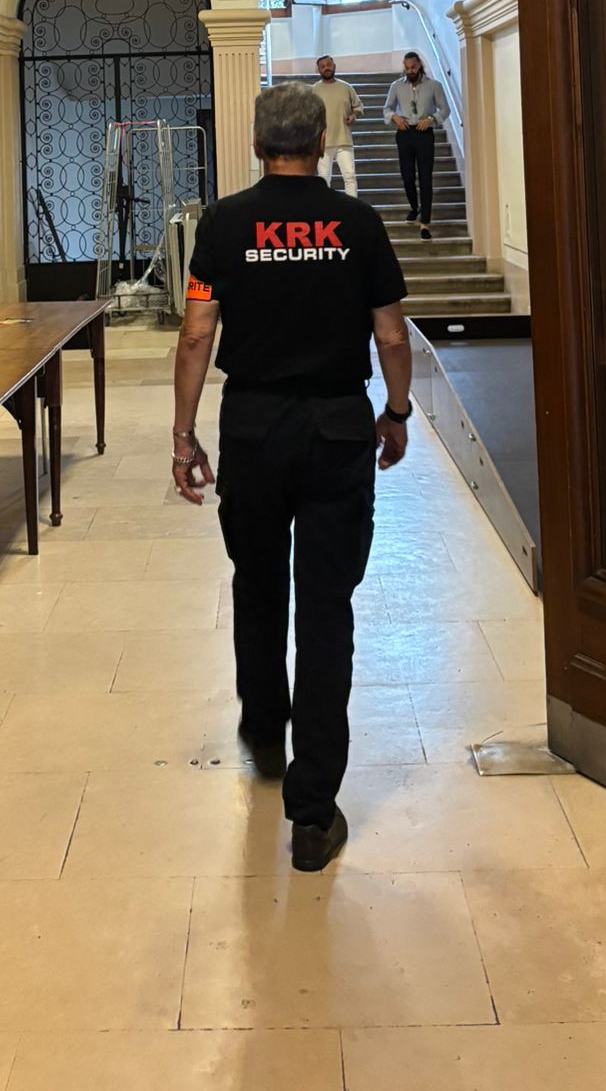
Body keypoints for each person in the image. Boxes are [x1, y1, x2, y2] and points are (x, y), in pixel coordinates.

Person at [170, 81, 412, 872]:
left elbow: (196, 330)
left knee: (257, 582)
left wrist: (184, 435)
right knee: (326, 607)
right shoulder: (359, 222)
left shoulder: (224, 223)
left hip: (254, 427)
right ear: (320, 139)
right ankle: (313, 815)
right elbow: (391, 333)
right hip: (338, 427)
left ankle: (263, 733)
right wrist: (397, 412)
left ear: (255, 143)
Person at [383, 50, 449, 239]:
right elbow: (386, 108)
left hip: (424, 133)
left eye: (413, 67)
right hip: (404, 133)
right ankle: (414, 206)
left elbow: (445, 108)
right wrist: (394, 116)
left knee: (425, 178)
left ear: (419, 65)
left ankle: (425, 223)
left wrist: (432, 119)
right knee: (407, 176)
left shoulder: (434, 86)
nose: (410, 71)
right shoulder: (396, 86)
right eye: (406, 68)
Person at [309, 54, 361, 195]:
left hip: (343, 140)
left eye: (329, 65)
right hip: (322, 143)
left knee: (350, 177)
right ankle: (325, 211)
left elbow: (358, 107)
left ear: (334, 66)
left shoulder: (346, 87)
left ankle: (353, 210)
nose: (327, 68)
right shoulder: (314, 90)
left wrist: (353, 116)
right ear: (318, 70)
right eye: (323, 66)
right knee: (324, 180)